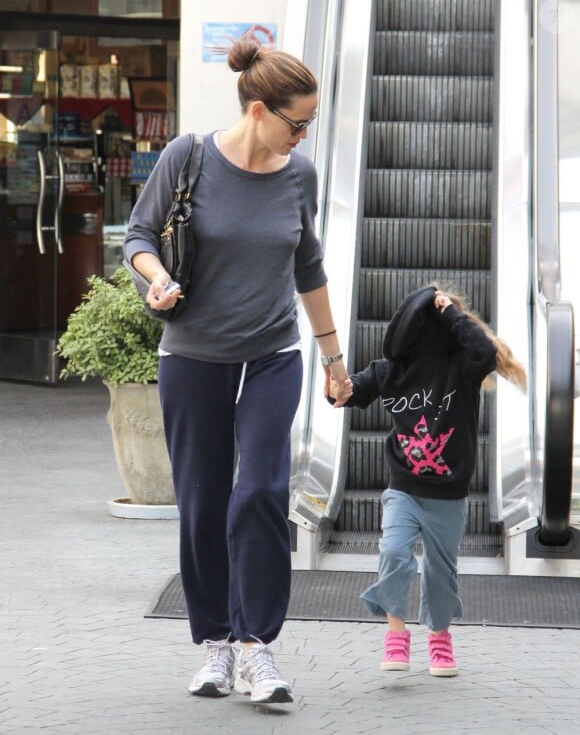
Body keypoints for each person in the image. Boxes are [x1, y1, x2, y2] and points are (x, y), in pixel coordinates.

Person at [123, 37, 352, 704]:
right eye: (297, 123)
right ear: (258, 110)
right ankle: (215, 644)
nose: (304, 136)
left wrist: (334, 359)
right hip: (193, 356)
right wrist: (157, 275)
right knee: (201, 503)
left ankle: (258, 647)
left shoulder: (298, 176)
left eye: (309, 124)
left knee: (258, 491)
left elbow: (307, 267)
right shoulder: (187, 157)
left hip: (273, 354)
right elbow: (139, 234)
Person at [328, 284, 526, 676]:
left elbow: (484, 352)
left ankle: (439, 638)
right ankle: (396, 636)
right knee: (393, 552)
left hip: (448, 496)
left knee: (441, 571)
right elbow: (356, 390)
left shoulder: (463, 370)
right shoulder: (392, 371)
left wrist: (451, 312)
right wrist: (337, 387)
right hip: (403, 489)